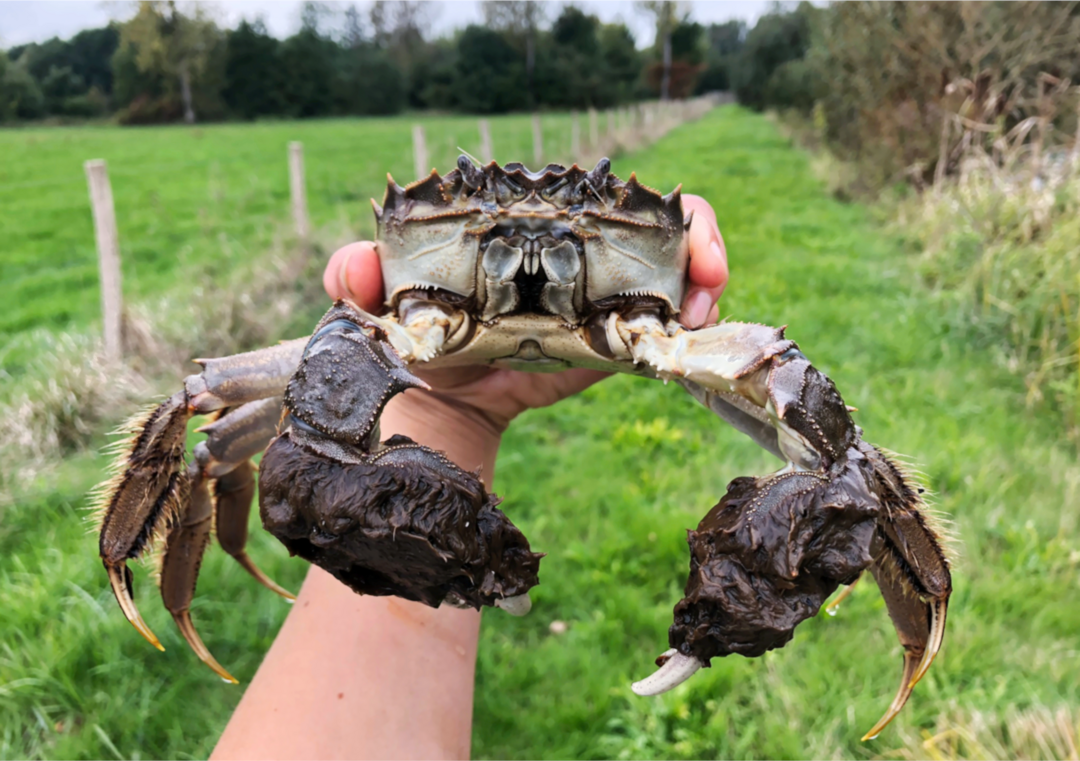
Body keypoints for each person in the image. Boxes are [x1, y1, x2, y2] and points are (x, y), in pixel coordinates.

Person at [211, 195, 728, 760]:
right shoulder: (394, 333)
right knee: (208, 428)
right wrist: (444, 411)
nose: (530, 260)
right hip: (423, 345)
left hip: (633, 323)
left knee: (828, 455)